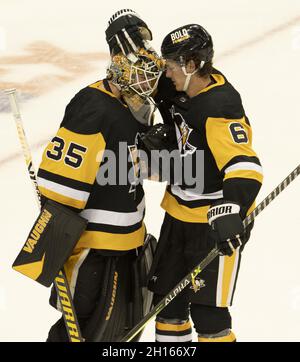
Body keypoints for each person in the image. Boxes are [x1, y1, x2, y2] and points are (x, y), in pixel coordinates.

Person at [36, 13, 163, 341]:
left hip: (129, 244)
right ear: (118, 61)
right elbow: (56, 184)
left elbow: (131, 168)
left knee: (120, 335)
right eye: (139, 60)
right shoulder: (93, 106)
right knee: (80, 331)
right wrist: (53, 241)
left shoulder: (136, 107)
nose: (148, 74)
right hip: (94, 249)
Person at [144, 24, 264, 342]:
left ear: (192, 65)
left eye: (170, 66)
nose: (165, 73)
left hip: (210, 223)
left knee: (209, 315)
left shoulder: (221, 107)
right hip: (177, 217)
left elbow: (244, 165)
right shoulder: (176, 86)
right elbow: (141, 79)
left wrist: (232, 209)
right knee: (166, 308)